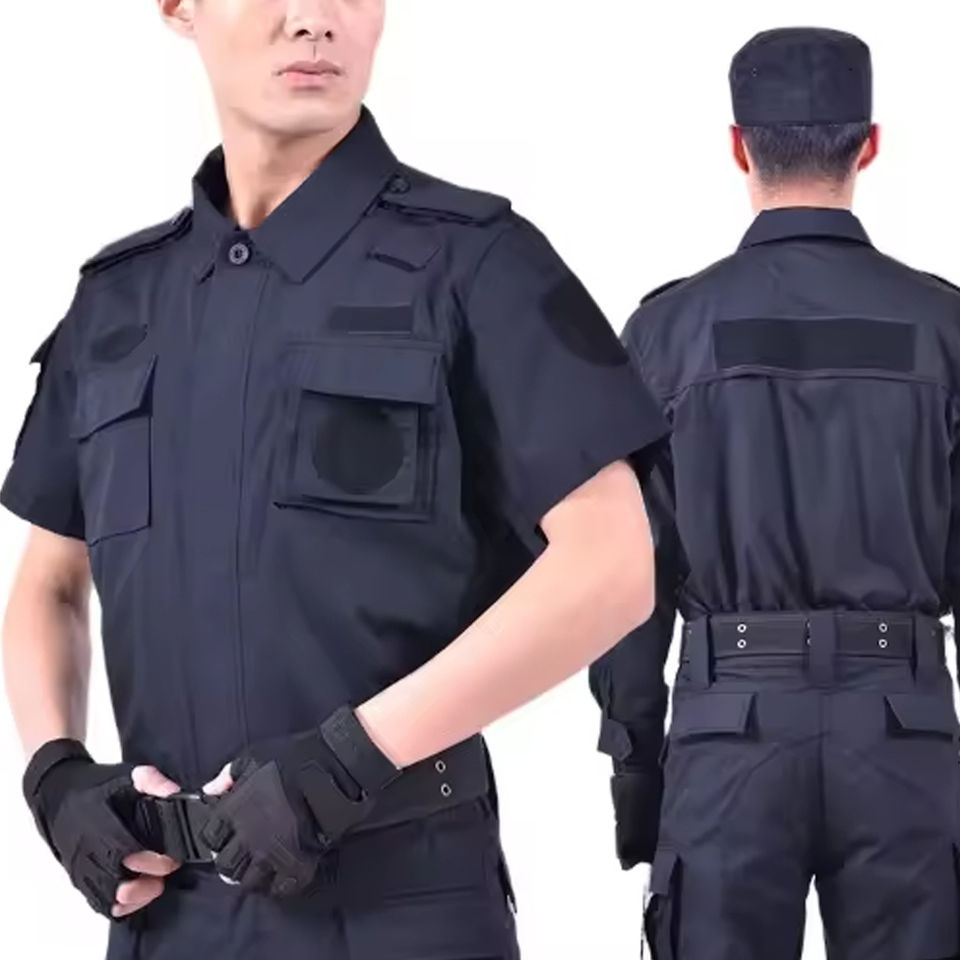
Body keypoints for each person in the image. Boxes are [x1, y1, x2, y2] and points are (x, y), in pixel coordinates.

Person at [1, 2, 668, 958]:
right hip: (167, 919)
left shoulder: (476, 263)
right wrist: (55, 774)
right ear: (180, 9)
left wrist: (347, 762)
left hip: (402, 910)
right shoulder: (119, 297)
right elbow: (50, 581)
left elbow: (613, 565)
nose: (314, 20)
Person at [589, 26, 960, 960]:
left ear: (737, 146)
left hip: (730, 734)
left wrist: (636, 764)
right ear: (869, 145)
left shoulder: (667, 332)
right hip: (904, 729)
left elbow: (625, 579)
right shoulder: (944, 327)